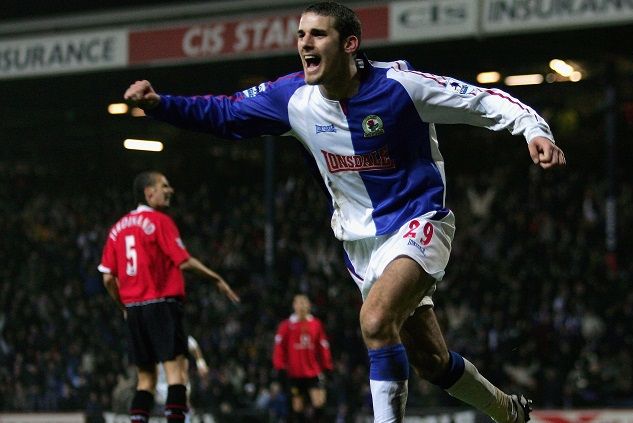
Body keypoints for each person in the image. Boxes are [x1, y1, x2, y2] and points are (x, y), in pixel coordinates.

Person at [123, 2, 566, 422]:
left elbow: (480, 100)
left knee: (375, 321)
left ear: (349, 43)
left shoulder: (401, 87)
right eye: (300, 35)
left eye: (318, 34)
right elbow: (224, 113)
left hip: (418, 221)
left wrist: (532, 129)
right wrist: (162, 104)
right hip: (359, 244)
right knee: (431, 360)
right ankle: (506, 410)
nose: (305, 44)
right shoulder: (292, 97)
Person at [98, 171, 240, 423]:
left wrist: (123, 306)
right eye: (164, 186)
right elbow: (183, 261)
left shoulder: (117, 229)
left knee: (145, 380)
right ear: (148, 193)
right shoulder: (160, 221)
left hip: (135, 310)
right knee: (177, 374)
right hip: (162, 305)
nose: (170, 190)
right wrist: (216, 278)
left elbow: (108, 278)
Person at [272, 294, 334, 422]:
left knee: (319, 402)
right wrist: (280, 367)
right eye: (299, 303)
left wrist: (327, 366)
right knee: (297, 407)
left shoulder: (316, 324)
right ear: (294, 305)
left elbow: (323, 346)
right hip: (294, 373)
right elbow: (279, 348)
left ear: (309, 306)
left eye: (304, 303)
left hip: (313, 371)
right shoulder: (286, 326)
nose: (301, 306)